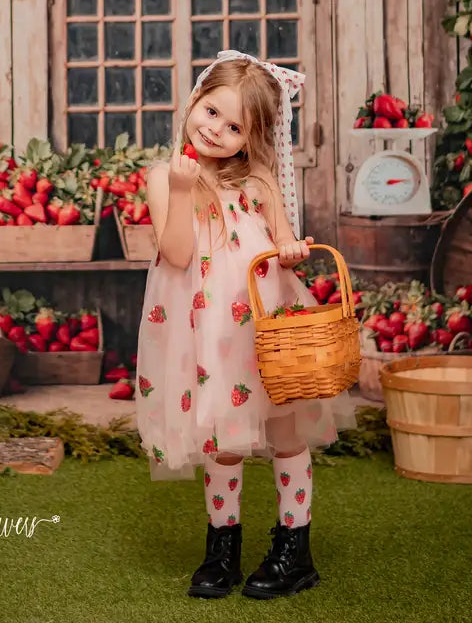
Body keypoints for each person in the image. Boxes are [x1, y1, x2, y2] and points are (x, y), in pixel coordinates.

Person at [136, 49, 359, 600]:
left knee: (285, 429)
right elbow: (178, 256)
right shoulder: (165, 178)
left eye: (234, 126)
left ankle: (293, 547)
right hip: (205, 336)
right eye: (211, 112)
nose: (215, 130)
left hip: (263, 329)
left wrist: (290, 248)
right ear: (194, 101)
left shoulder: (257, 181)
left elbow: (285, 239)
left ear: (251, 136)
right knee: (223, 439)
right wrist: (187, 191)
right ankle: (222, 547)